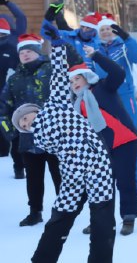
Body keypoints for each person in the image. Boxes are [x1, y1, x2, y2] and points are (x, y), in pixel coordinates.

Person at [30, 21, 115, 263]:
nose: (27, 122)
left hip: (97, 165)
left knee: (102, 220)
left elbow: (59, 74)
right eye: (22, 124)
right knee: (60, 217)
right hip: (72, 175)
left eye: (26, 117)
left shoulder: (57, 103)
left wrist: (57, 44)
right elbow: (50, 149)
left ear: (35, 109)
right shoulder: (37, 134)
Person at [68, 45, 137, 236]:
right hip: (99, 149)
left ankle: (128, 217)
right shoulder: (74, 103)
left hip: (124, 142)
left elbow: (118, 71)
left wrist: (96, 55)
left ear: (86, 77)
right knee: (100, 186)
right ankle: (101, 221)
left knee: (125, 181)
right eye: (71, 80)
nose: (74, 82)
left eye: (78, 78)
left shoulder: (103, 87)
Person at [0, 33, 60, 227]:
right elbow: (3, 107)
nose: (25, 55)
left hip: (54, 134)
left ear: (37, 51)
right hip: (27, 137)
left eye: (28, 51)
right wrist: (11, 132)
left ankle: (65, 209)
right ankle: (35, 212)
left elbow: (67, 97)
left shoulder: (52, 70)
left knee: (59, 175)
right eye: (21, 52)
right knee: (33, 178)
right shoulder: (14, 78)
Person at [96, 13, 137, 193]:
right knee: (107, 140)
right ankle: (112, 181)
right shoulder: (94, 48)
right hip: (102, 98)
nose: (106, 32)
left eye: (109, 28)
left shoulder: (123, 45)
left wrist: (126, 37)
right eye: (102, 30)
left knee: (131, 136)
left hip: (125, 95)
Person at [0, 0, 28, 177]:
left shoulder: (16, 38)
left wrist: (9, 3)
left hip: (12, 90)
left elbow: (22, 17)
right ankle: (3, 153)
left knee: (13, 125)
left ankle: (18, 163)